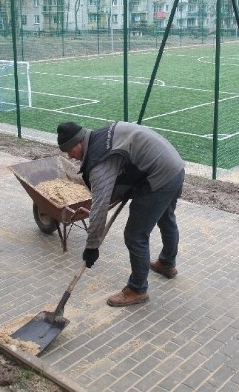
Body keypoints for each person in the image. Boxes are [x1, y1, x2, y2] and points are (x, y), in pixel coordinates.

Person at [57, 121, 185, 307]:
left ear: (79, 142)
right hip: (174, 167)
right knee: (165, 217)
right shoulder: (99, 137)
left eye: (70, 150)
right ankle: (166, 264)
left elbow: (99, 208)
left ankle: (137, 289)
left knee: (135, 235)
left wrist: (92, 246)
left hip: (159, 176)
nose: (70, 156)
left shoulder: (99, 163)